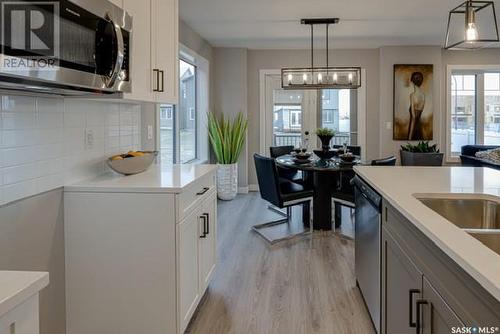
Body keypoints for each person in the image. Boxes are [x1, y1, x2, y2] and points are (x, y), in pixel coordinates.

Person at [408, 71, 426, 140]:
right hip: (419, 130)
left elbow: (413, 118)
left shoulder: (412, 95)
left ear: (412, 81)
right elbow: (417, 116)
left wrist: (409, 137)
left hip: (413, 131)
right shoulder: (423, 96)